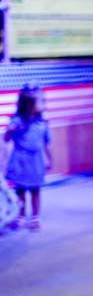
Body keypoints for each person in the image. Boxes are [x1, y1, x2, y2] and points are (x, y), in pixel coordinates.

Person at [5, 84, 51, 231]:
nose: (44, 104)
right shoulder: (17, 120)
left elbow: (47, 143)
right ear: (29, 104)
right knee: (20, 190)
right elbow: (6, 138)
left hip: (36, 161)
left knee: (35, 190)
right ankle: (21, 216)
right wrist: (9, 131)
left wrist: (50, 158)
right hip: (20, 160)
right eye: (41, 101)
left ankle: (35, 218)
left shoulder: (42, 123)